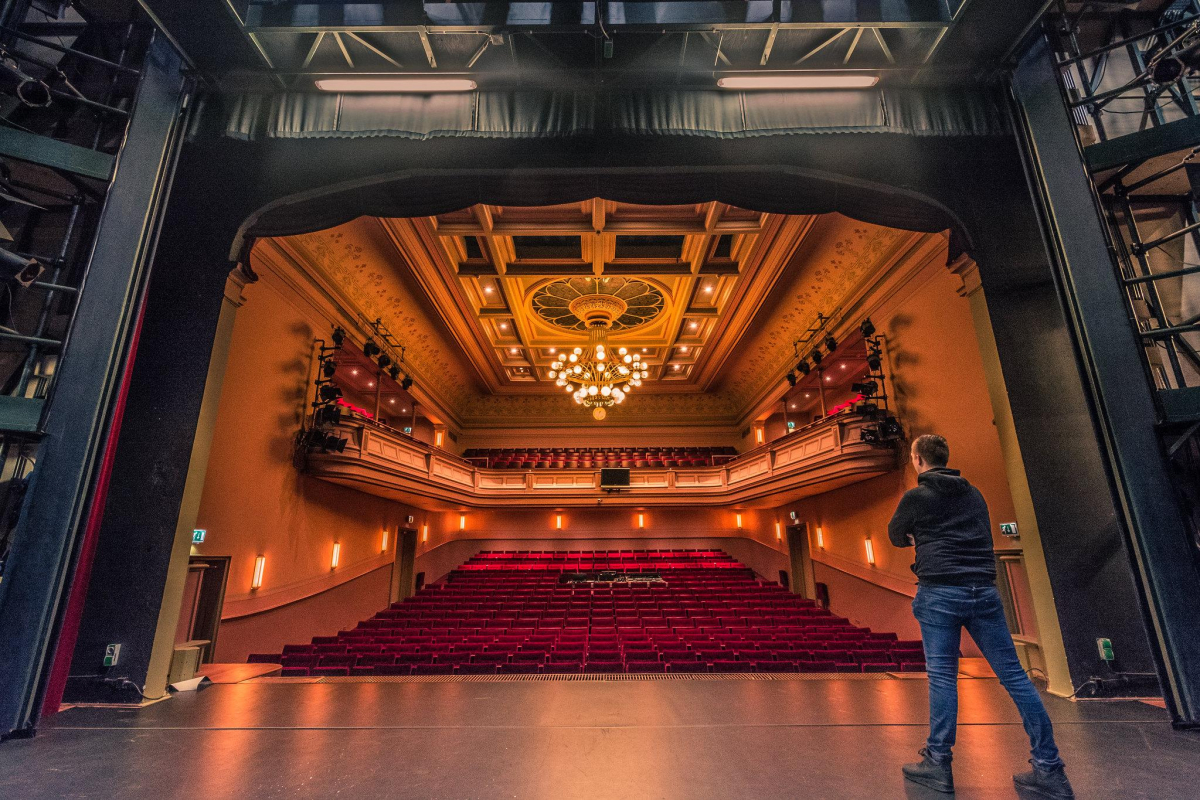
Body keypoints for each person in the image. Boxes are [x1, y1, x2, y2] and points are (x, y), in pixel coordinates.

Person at [889, 434, 1074, 798]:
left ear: (917, 460)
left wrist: (918, 537)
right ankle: (1049, 768)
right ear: (946, 456)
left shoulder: (916, 497)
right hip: (984, 590)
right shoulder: (974, 495)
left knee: (943, 678)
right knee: (1016, 678)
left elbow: (896, 535)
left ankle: (938, 763)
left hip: (940, 590)